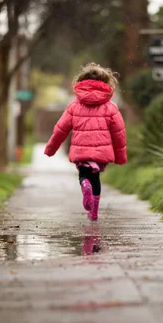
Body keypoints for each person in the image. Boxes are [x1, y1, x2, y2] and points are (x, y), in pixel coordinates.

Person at [44, 63, 127, 221]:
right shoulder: (111, 107)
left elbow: (60, 130)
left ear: (81, 82)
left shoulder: (74, 106)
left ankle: (84, 185)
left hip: (81, 151)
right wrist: (121, 156)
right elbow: (119, 134)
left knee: (85, 175)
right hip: (101, 153)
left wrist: (50, 149)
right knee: (96, 178)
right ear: (106, 83)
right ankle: (94, 212)